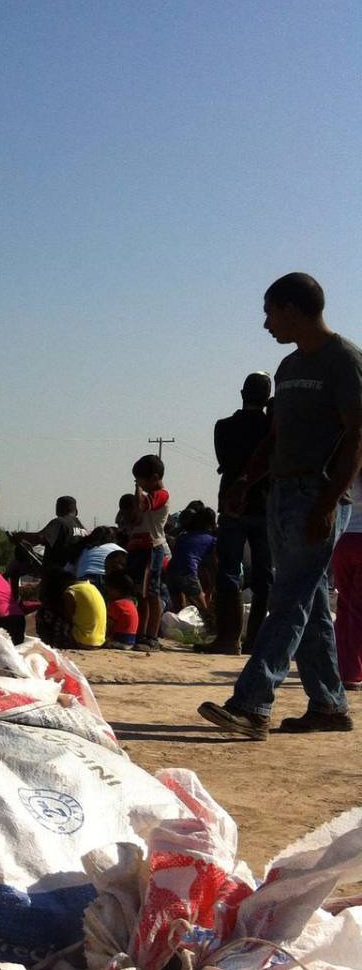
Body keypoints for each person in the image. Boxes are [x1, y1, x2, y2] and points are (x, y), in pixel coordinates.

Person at [199, 273, 362, 739]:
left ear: (292, 309)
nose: (266, 323)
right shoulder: (288, 369)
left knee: (288, 599)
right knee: (305, 601)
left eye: (270, 312)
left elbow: (356, 437)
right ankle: (329, 705)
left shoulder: (345, 362)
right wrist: (247, 480)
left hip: (319, 496)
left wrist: (329, 502)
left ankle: (252, 703)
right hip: (280, 495)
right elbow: (276, 437)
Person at [199, 371, 275, 654]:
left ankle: (228, 637)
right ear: (267, 398)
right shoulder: (273, 427)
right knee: (264, 576)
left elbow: (224, 460)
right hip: (266, 506)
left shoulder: (224, 427)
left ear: (242, 394)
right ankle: (255, 639)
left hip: (232, 504)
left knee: (228, 571)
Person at [126, 454, 169, 651]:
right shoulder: (145, 497)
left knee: (152, 593)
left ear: (153, 478)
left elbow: (144, 505)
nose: (138, 484)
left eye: (140, 480)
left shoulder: (161, 494)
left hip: (152, 547)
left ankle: (152, 636)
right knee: (140, 594)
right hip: (138, 547)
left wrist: (138, 491)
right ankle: (141, 634)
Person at [333, 469, 362, 691]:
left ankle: (345, 670)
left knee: (345, 608)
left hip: (343, 542)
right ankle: (354, 673)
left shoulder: (349, 472)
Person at [167, 505, 217, 618]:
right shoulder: (211, 540)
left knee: (180, 611)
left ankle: (184, 632)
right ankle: (212, 630)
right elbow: (213, 565)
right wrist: (214, 585)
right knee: (204, 611)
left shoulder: (183, 536)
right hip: (187, 571)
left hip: (171, 571)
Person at [64, 578, 107, 649]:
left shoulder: (72, 590)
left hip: (82, 640)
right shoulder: (93, 588)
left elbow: (68, 616)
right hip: (99, 641)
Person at [104, 571, 140, 649]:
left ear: (116, 590)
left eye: (109, 589)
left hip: (118, 641)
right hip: (130, 642)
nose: (108, 593)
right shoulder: (131, 603)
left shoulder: (116, 604)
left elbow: (108, 626)